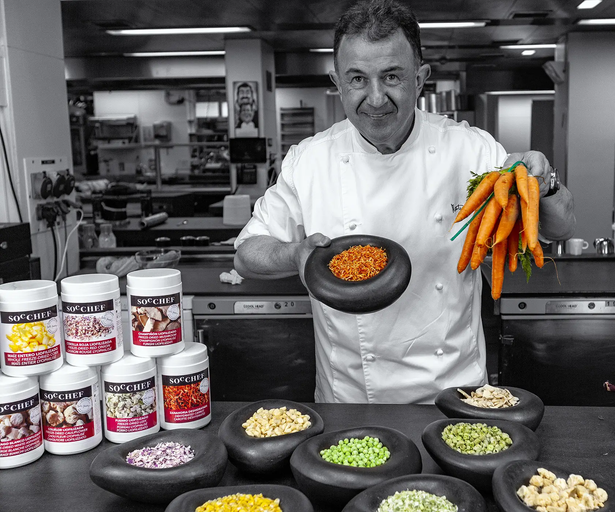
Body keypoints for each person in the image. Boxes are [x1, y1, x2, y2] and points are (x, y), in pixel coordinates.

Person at [234, 0, 576, 404]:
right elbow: (246, 255)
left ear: (420, 78)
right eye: (357, 79)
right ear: (338, 83)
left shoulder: (471, 149)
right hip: (352, 400)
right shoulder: (309, 160)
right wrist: (295, 255)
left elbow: (560, 228)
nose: (376, 98)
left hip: (456, 393)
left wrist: (544, 184)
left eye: (391, 76)